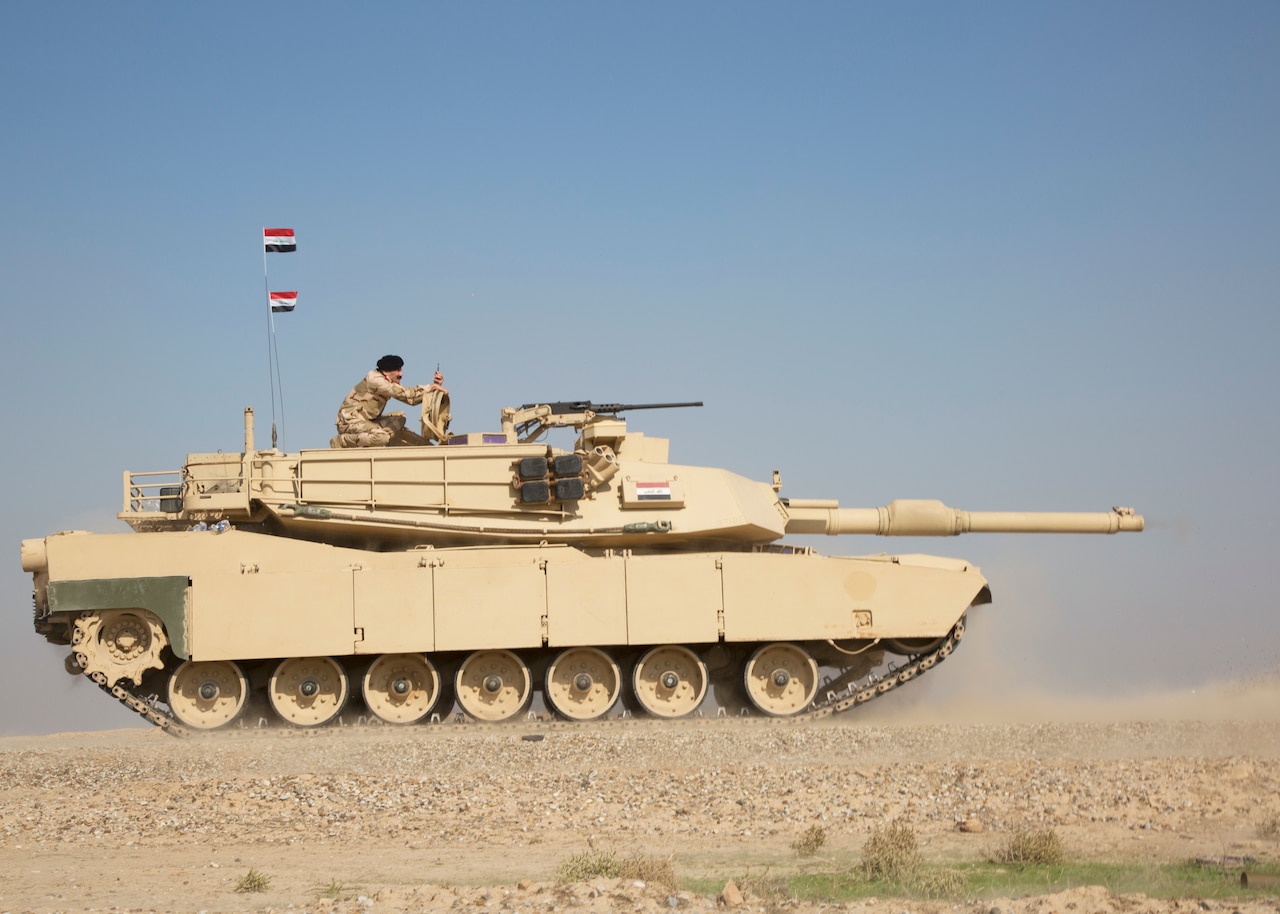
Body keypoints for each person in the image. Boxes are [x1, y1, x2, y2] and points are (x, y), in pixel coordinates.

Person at [331, 355, 447, 448]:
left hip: (367, 421)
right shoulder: (376, 380)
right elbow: (406, 394)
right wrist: (431, 387)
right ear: (386, 372)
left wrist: (436, 387)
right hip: (349, 421)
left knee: (400, 418)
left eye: (400, 370)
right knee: (381, 437)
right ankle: (342, 441)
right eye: (397, 370)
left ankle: (373, 442)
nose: (401, 374)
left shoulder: (387, 381)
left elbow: (411, 399)